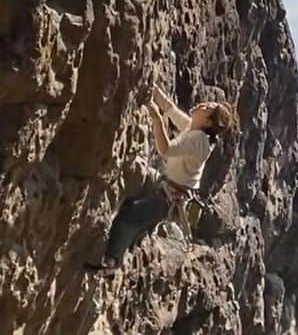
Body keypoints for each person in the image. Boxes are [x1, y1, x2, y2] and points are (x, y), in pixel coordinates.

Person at [87, 87, 237, 272]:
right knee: (136, 174)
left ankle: (110, 263)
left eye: (206, 108)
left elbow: (166, 149)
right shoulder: (195, 129)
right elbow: (171, 109)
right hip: (165, 185)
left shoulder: (199, 140)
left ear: (207, 121)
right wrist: (152, 88)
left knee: (128, 217)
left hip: (167, 198)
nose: (202, 104)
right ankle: (132, 238)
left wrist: (157, 118)